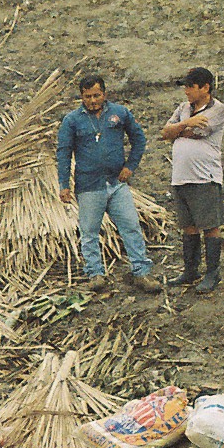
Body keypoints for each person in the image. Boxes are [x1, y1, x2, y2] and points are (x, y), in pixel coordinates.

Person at [56, 74, 157, 294]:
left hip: (117, 183)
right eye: (87, 96)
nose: (92, 101)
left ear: (105, 93)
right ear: (81, 96)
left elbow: (139, 139)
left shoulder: (119, 113)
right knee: (90, 232)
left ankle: (141, 271)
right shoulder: (72, 120)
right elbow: (63, 152)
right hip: (89, 185)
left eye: (96, 95)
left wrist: (131, 165)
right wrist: (64, 184)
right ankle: (95, 274)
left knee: (130, 225)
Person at [160, 66, 224, 293]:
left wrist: (179, 129)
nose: (187, 91)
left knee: (209, 225)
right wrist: (184, 125)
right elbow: (165, 132)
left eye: (191, 86)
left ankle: (212, 272)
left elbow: (200, 131)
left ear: (205, 87)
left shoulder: (217, 109)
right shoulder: (183, 108)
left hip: (204, 176)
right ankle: (191, 270)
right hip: (181, 176)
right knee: (188, 226)